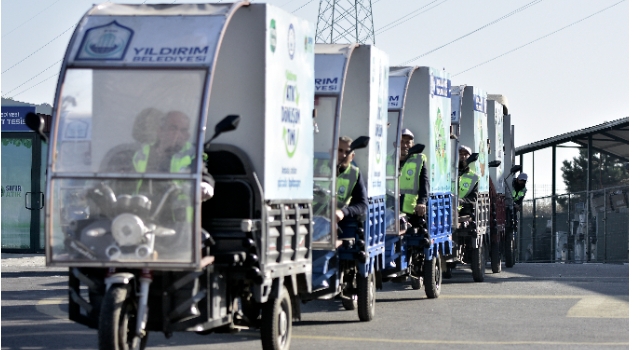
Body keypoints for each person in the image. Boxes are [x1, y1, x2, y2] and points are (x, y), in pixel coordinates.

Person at [335, 136, 368, 225]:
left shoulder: (355, 174)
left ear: (352, 156)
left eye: (347, 152)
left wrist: (343, 212)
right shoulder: (316, 167)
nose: (343, 155)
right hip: (313, 217)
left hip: (337, 223)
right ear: (332, 151)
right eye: (340, 150)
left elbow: (362, 205)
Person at [398, 128, 429, 221]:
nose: (404, 145)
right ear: (396, 144)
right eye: (401, 142)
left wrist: (421, 202)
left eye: (408, 142)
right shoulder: (387, 159)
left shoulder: (419, 160)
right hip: (390, 210)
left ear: (413, 145)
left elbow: (425, 183)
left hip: (412, 210)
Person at [457, 144, 479, 216]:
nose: (463, 156)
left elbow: (473, 198)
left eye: (465, 154)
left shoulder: (474, 177)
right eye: (460, 154)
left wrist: (461, 201)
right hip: (448, 210)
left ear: (470, 157)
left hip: (464, 212)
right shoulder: (449, 173)